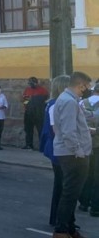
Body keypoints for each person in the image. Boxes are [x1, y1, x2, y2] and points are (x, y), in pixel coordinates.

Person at [52, 71, 93, 238]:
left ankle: (68, 229)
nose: (87, 90)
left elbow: (72, 125)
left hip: (69, 152)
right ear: (80, 85)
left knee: (70, 193)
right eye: (86, 87)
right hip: (72, 155)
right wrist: (79, 151)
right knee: (70, 194)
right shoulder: (69, 102)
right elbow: (69, 132)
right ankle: (62, 230)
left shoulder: (68, 99)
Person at [42, 75, 71, 227]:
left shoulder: (55, 104)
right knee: (61, 186)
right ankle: (58, 219)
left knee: (63, 185)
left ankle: (62, 219)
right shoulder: (55, 105)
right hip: (58, 149)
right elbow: (56, 131)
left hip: (57, 148)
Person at [79, 84, 99, 215]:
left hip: (84, 144)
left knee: (86, 174)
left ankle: (84, 202)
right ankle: (96, 207)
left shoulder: (81, 103)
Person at [22, 76, 49, 150]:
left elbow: (45, 101)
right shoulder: (27, 90)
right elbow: (25, 100)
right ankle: (29, 145)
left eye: (32, 83)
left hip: (39, 113)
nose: (31, 85)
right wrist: (25, 107)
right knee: (28, 129)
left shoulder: (43, 90)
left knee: (40, 130)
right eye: (30, 83)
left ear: (36, 83)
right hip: (29, 112)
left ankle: (42, 146)